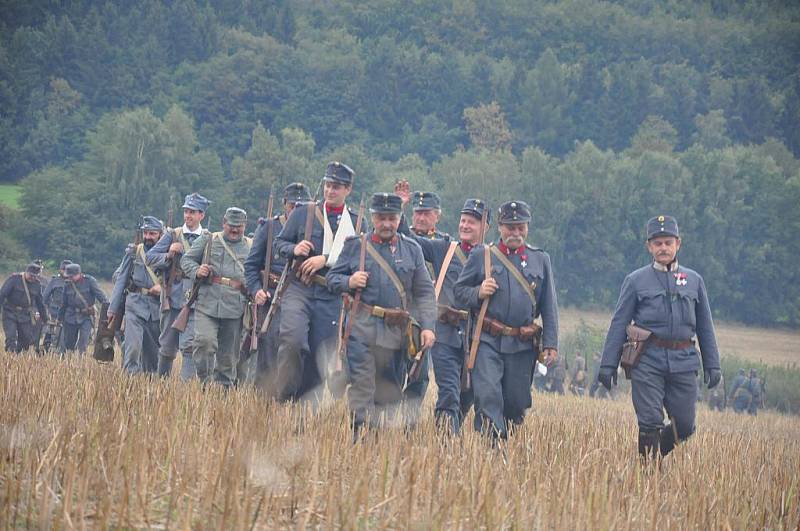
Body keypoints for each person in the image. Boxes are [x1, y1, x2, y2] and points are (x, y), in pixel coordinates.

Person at [598, 215, 721, 460]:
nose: (663, 248)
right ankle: (647, 478)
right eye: (657, 243)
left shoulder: (694, 281)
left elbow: (705, 326)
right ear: (649, 247)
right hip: (647, 358)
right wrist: (608, 364)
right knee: (650, 422)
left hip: (684, 359)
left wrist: (713, 363)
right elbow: (619, 322)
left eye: (667, 242)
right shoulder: (635, 281)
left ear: (678, 244)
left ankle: (651, 457)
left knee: (685, 426)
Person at [326, 193, 436, 434]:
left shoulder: (412, 249)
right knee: (362, 386)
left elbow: (425, 293)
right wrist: (349, 281)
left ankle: (377, 438)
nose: (386, 224)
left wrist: (428, 326)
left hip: (397, 333)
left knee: (390, 391)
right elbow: (332, 280)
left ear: (399, 219)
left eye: (392, 218)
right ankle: (360, 438)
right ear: (373, 218)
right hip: (361, 329)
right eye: (381, 218)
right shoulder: (355, 246)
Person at [454, 200, 559, 439]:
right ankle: (492, 451)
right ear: (500, 227)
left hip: (522, 344)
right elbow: (460, 292)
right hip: (487, 341)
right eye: (511, 227)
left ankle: (504, 444)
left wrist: (551, 343)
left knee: (516, 404)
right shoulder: (483, 255)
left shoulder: (540, 260)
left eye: (520, 227)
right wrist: (478, 292)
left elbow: (549, 306)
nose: (516, 233)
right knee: (488, 396)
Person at [396, 190, 489, 433]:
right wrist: (401, 210)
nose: (465, 226)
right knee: (448, 391)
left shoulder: (491, 258)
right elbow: (408, 238)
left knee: (468, 394)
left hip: (475, 337)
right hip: (445, 332)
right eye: (463, 220)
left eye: (472, 221)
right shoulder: (444, 248)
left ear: (484, 226)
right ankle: (447, 443)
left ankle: (447, 431)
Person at [273, 162, 360, 401]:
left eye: (337, 187)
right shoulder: (303, 213)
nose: (330, 191)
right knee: (293, 341)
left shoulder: (355, 222)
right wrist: (294, 247)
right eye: (328, 185)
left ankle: (304, 405)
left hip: (330, 295)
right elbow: (278, 245)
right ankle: (284, 396)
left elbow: (360, 258)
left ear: (348, 190)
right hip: (300, 288)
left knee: (319, 357)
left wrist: (325, 259)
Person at [244, 183, 310, 393]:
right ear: (284, 205)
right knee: (269, 356)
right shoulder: (269, 227)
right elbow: (251, 265)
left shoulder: (311, 229)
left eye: (301, 206)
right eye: (292, 206)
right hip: (272, 297)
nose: (295, 210)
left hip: (300, 298)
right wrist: (256, 291)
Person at [181, 207, 251, 387]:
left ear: (245, 226)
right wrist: (198, 271)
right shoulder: (208, 239)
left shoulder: (251, 246)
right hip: (207, 303)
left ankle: (222, 396)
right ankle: (205, 380)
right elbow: (186, 260)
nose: (235, 230)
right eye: (231, 226)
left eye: (239, 226)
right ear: (223, 223)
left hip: (235, 307)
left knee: (228, 358)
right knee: (204, 342)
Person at [147, 192, 211, 380]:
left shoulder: (208, 238)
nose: (188, 216)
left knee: (190, 346)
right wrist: (168, 253)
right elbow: (150, 258)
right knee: (166, 346)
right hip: (173, 297)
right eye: (186, 211)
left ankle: (185, 390)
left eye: (192, 212)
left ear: (202, 215)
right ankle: (162, 384)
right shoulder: (172, 235)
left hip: (195, 299)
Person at [109, 216, 164, 374]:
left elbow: (175, 281)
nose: (148, 237)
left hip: (157, 308)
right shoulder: (134, 252)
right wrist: (112, 309)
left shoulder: (168, 255)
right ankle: (130, 383)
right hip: (135, 304)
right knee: (132, 348)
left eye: (152, 234)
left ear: (160, 235)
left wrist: (162, 288)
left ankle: (150, 387)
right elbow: (121, 280)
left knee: (153, 355)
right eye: (146, 233)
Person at [58, 263, 108, 354]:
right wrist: (59, 318)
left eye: (72, 276)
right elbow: (64, 303)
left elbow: (101, 297)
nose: (70, 278)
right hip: (70, 316)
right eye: (69, 276)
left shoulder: (90, 281)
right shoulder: (67, 284)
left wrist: (109, 311)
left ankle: (80, 361)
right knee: (69, 343)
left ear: (79, 274)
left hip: (86, 316)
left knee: (83, 342)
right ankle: (68, 361)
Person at [0, 262, 47, 353]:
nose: (32, 277)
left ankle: (18, 357)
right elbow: (2, 295)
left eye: (35, 276)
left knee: (26, 339)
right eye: (31, 275)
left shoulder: (37, 285)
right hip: (10, 312)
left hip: (25, 315)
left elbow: (40, 303)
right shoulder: (14, 279)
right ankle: (11, 356)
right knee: (11, 337)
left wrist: (45, 318)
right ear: (26, 272)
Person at [42, 260, 71, 352]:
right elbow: (45, 296)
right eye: (63, 269)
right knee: (49, 333)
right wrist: (45, 310)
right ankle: (46, 348)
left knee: (64, 336)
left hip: (68, 312)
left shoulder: (74, 282)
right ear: (60, 270)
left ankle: (61, 352)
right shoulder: (54, 281)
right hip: (54, 311)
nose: (65, 272)